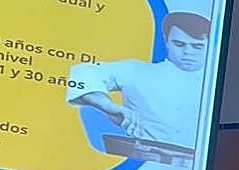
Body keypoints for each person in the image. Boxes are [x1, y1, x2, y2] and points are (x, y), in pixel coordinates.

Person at [66, 12, 210, 149]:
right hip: (142, 162)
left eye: (197, 46)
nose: (188, 52)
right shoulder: (137, 71)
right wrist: (106, 105)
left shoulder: (216, 87)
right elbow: (83, 72)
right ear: (166, 41)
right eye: (179, 44)